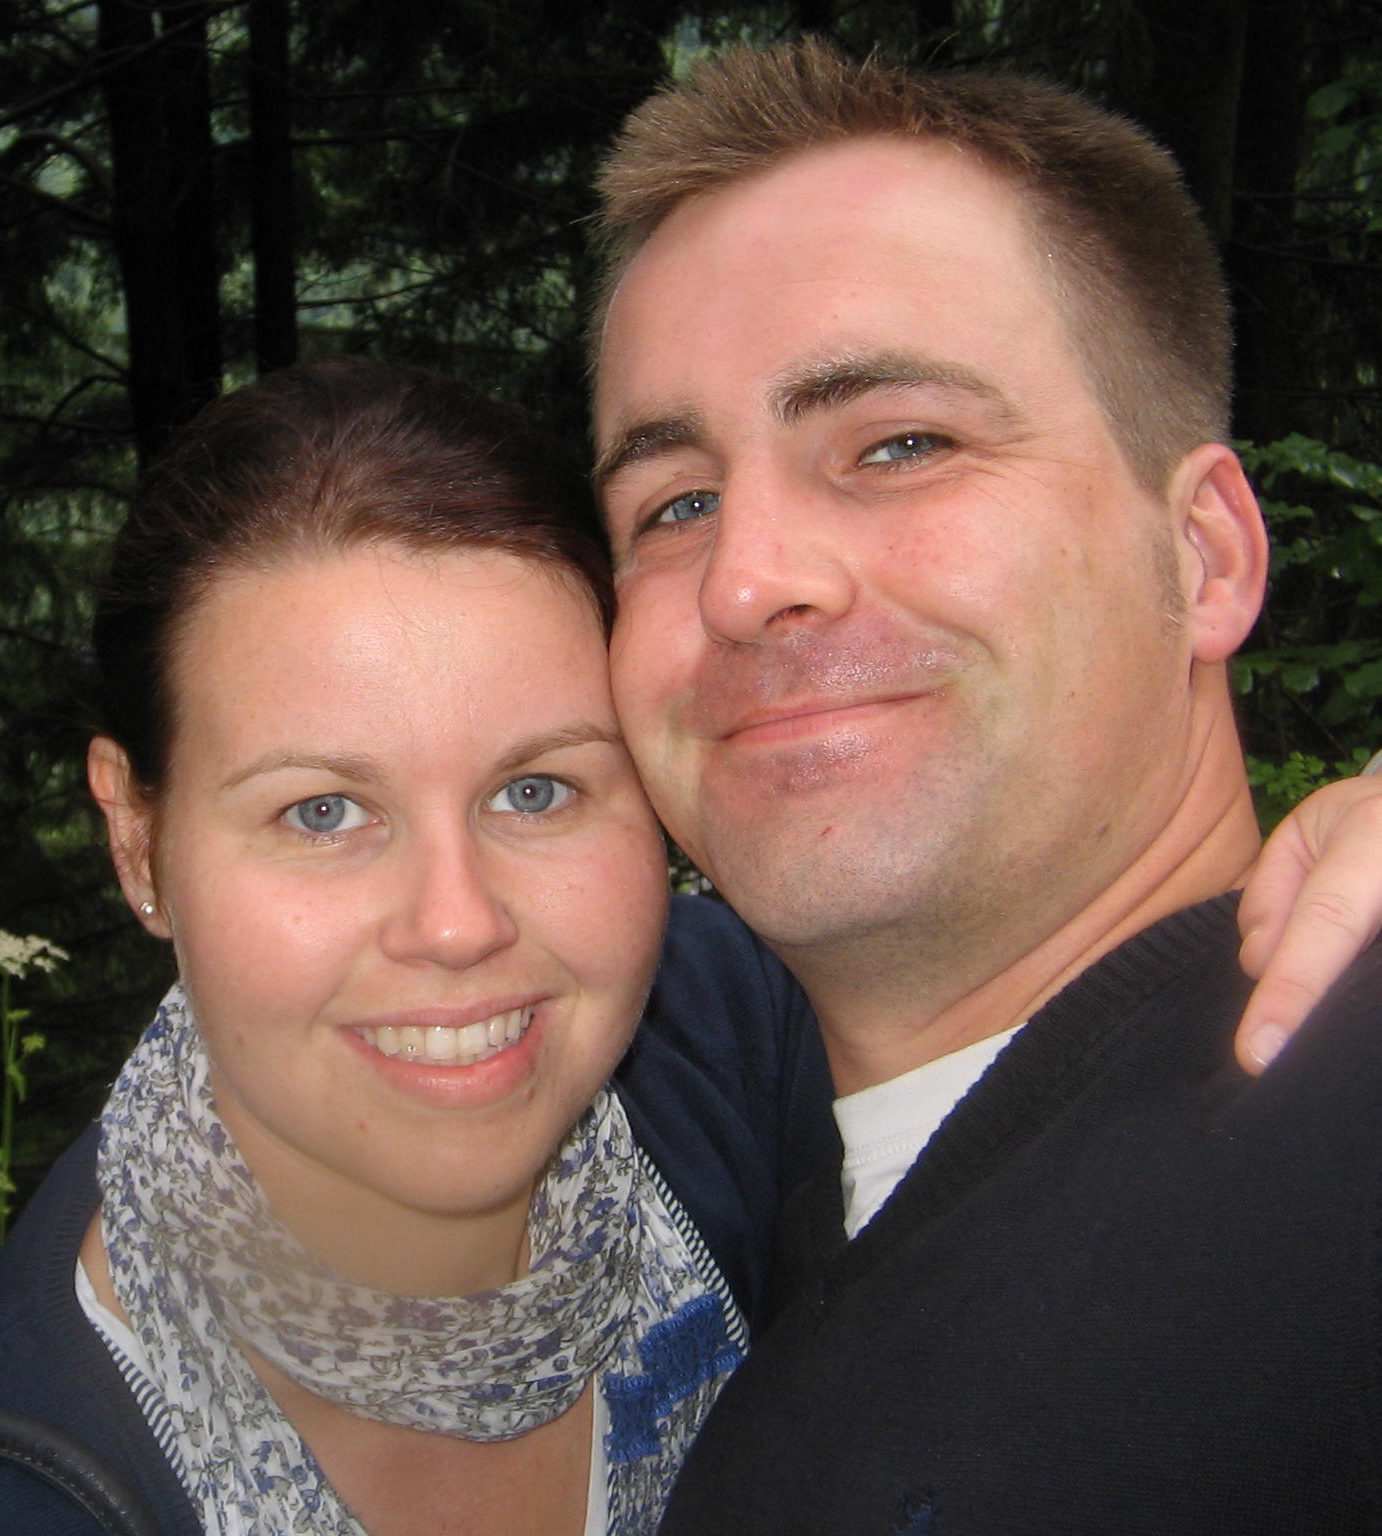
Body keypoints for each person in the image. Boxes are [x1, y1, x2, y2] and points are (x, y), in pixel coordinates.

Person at [0, 355, 1381, 1536]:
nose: (456, 924)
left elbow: (1092, 1059)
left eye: (537, 790)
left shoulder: (733, 1045)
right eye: (321, 813)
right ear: (138, 840)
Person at [584, 38, 1382, 1532]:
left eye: (900, 444)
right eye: (675, 503)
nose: (747, 579)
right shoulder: (693, 1135)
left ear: (1205, 556)